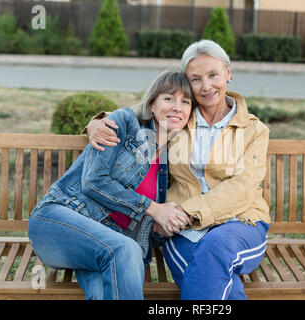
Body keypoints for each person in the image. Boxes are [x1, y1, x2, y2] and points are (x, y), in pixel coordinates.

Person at [85, 40, 271, 300]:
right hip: (180, 229)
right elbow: (137, 116)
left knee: (213, 249)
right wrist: (96, 123)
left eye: (213, 75)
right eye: (196, 79)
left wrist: (186, 212)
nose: (206, 86)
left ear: (228, 73)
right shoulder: (179, 118)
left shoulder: (254, 130)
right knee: (216, 281)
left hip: (238, 222)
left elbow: (243, 187)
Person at [28, 70, 194, 300]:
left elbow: (142, 226)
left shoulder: (166, 166)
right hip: (58, 219)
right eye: (169, 98)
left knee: (101, 293)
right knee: (126, 249)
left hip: (102, 246)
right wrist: (154, 209)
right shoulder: (124, 123)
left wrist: (159, 226)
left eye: (185, 102)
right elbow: (93, 182)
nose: (177, 107)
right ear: (152, 104)